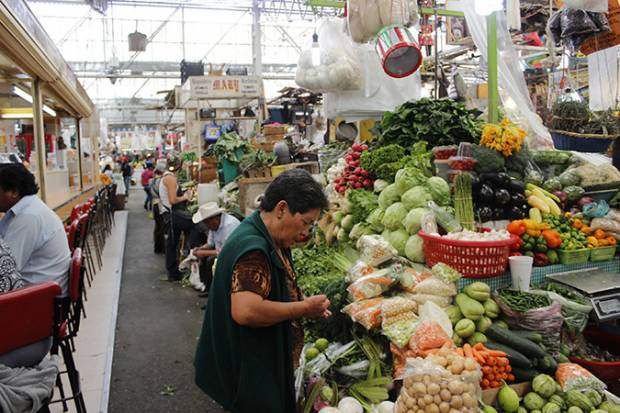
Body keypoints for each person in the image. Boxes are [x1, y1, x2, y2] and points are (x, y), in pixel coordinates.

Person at [194, 169, 330, 413]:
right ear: (281, 209)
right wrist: (304, 308)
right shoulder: (253, 249)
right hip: (251, 371)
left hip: (254, 363)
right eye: (306, 222)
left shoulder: (269, 236)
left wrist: (300, 301)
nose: (306, 232)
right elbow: (246, 311)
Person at [0, 164, 70, 296]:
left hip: (37, 300)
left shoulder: (28, 217)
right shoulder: (28, 208)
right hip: (41, 293)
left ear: (14, 191)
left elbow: (5, 269)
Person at [191, 202, 240, 292]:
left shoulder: (229, 225)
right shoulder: (213, 226)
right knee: (204, 259)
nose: (207, 226)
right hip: (222, 251)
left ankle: (212, 291)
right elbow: (211, 243)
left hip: (234, 254)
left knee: (210, 260)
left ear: (215, 219)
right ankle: (206, 287)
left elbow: (225, 251)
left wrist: (203, 253)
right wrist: (200, 249)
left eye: (207, 223)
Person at [160, 156, 195, 281]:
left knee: (172, 243)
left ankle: (174, 271)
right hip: (172, 214)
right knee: (195, 223)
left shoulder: (167, 177)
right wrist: (185, 197)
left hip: (170, 214)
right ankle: (189, 259)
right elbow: (173, 200)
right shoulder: (170, 179)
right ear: (179, 166)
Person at [150, 166, 166, 254]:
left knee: (157, 227)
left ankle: (157, 247)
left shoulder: (152, 181)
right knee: (162, 227)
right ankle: (163, 249)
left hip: (155, 204)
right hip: (160, 205)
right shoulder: (160, 181)